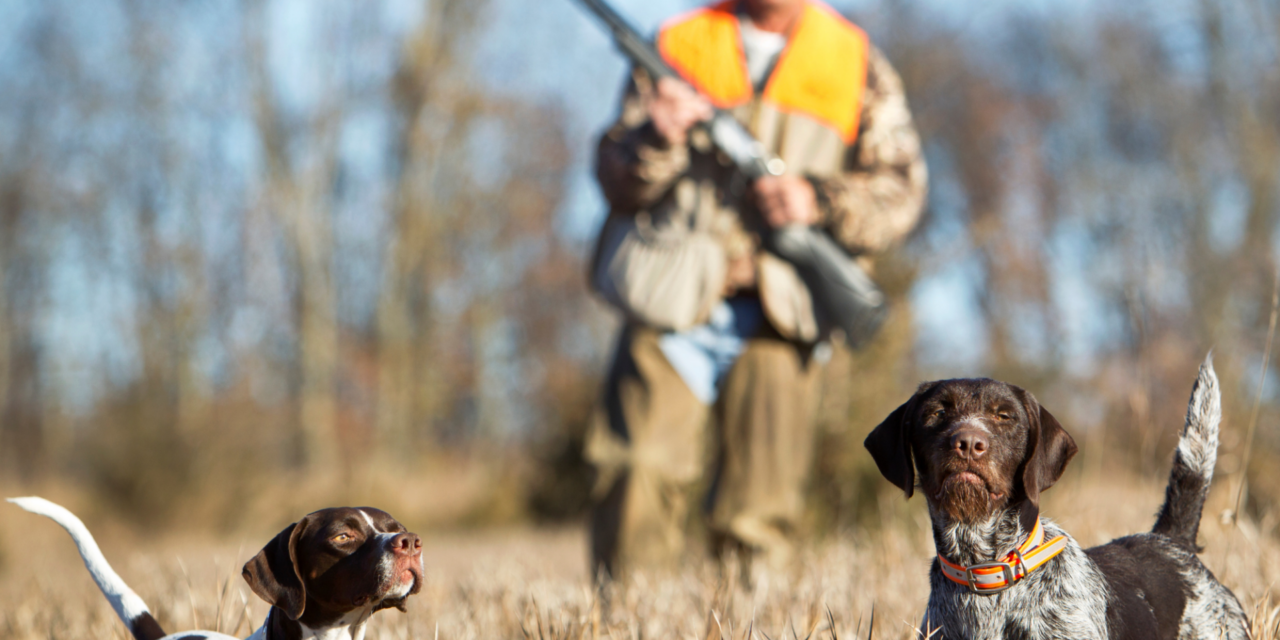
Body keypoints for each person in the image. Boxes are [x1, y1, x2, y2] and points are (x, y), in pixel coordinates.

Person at [584, 0, 927, 581]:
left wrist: (818, 201)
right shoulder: (677, 42)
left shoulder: (856, 60)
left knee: (760, 514)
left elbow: (903, 192)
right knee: (634, 476)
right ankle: (627, 616)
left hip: (783, 308)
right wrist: (655, 135)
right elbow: (615, 179)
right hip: (671, 295)